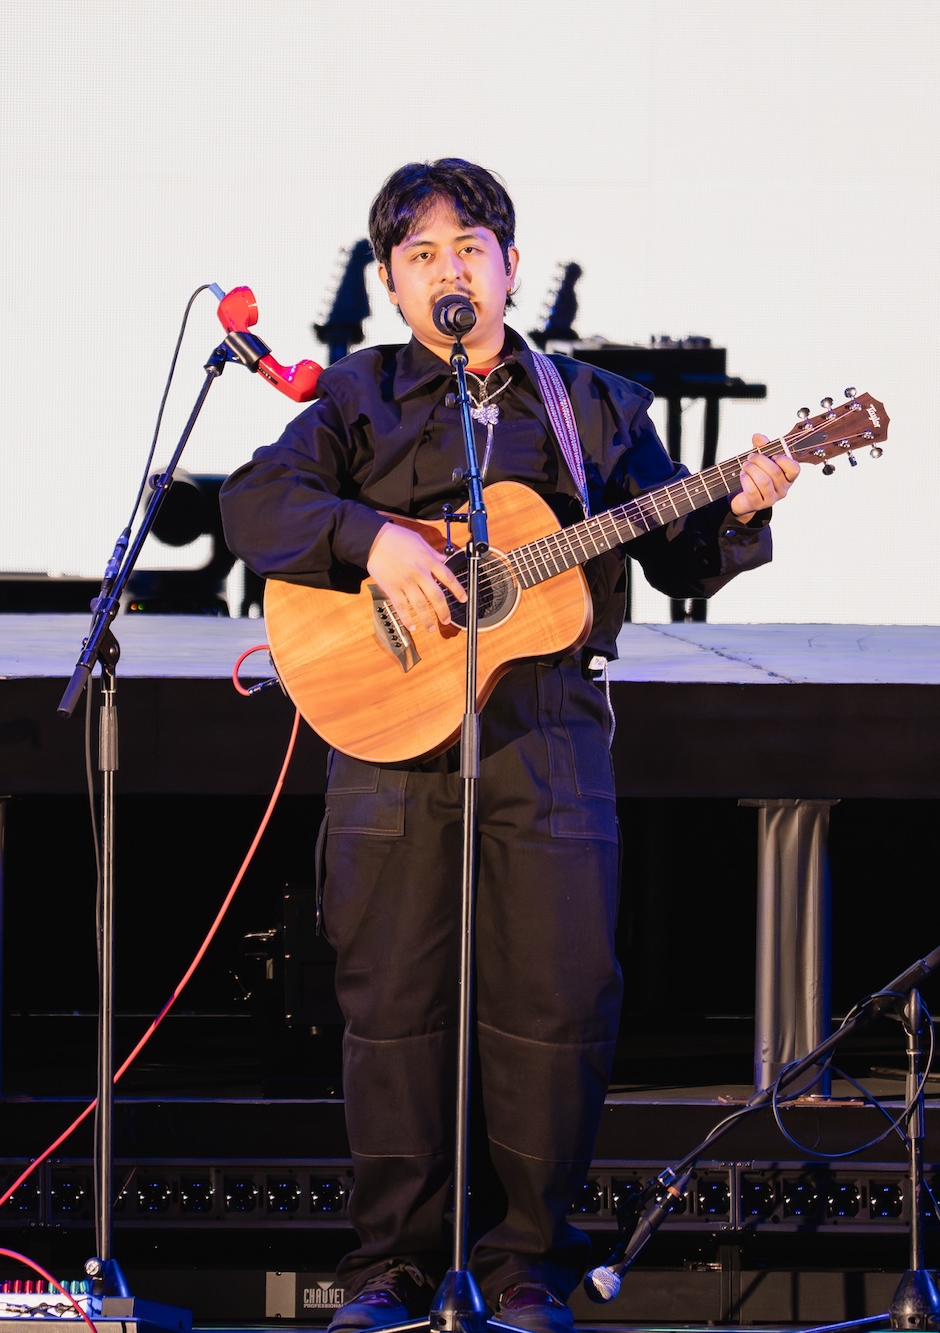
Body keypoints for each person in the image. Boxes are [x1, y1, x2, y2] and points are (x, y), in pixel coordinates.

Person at [220, 159, 796, 1333]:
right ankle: (394, 1262)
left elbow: (676, 553)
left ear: (509, 268)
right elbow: (250, 507)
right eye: (421, 255)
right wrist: (370, 538)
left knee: (557, 993)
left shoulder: (589, 407)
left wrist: (742, 502)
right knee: (392, 1002)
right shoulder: (354, 396)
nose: (449, 272)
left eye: (468, 250)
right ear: (389, 283)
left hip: (547, 727)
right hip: (385, 731)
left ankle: (531, 1256)